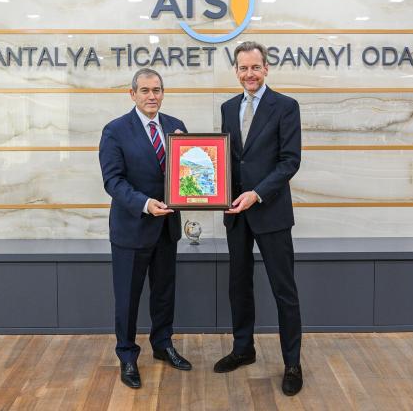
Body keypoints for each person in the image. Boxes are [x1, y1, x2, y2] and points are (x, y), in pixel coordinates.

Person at [215, 41, 304, 396]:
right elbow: (227, 158)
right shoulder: (227, 107)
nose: (249, 74)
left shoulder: (286, 106)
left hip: (271, 212)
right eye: (243, 68)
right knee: (239, 286)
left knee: (285, 290)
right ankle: (243, 349)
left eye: (255, 67)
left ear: (266, 68)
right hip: (236, 214)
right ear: (236, 71)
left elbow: (290, 161)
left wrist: (257, 193)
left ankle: (292, 363)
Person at [98, 67, 192, 389]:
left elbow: (187, 176)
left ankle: (163, 345)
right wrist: (145, 203)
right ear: (132, 94)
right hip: (132, 228)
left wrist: (193, 166)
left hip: (167, 228)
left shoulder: (176, 126)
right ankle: (127, 355)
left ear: (163, 93)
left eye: (157, 90)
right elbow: (113, 181)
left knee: (164, 294)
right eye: (145, 90)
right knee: (128, 299)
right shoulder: (115, 130)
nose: (152, 96)